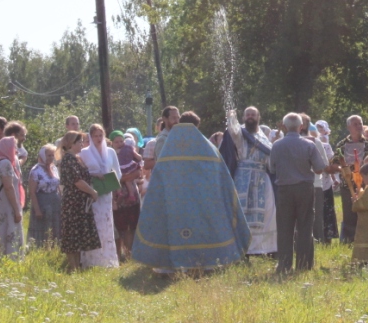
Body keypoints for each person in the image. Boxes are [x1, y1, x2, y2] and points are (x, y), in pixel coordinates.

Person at [133, 111, 251, 275]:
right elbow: (221, 177)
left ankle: (170, 265)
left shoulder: (169, 150)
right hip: (203, 203)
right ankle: (208, 263)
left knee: (173, 229)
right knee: (204, 229)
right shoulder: (208, 149)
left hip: (175, 203)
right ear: (197, 127)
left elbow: (160, 179)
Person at [269, 112, 326, 273]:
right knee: (305, 225)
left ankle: (284, 264)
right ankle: (304, 264)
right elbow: (319, 168)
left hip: (284, 189)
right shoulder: (309, 145)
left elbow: (271, 168)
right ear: (301, 126)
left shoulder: (277, 145)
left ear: (285, 126)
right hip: (304, 189)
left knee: (285, 227)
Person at [224, 106, 278, 255]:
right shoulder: (241, 134)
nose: (250, 117)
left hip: (262, 178)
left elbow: (270, 158)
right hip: (243, 177)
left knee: (267, 211)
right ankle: (245, 248)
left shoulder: (263, 136)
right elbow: (233, 131)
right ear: (243, 118)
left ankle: (267, 248)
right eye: (247, 114)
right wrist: (231, 117)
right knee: (243, 213)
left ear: (258, 117)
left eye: (253, 114)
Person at [57, 131, 101, 272]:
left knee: (78, 234)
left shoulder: (76, 158)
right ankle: (72, 267)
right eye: (79, 141)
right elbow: (77, 181)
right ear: (71, 144)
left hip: (80, 201)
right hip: (73, 201)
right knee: (72, 234)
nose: (82, 144)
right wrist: (92, 192)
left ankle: (77, 266)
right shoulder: (68, 159)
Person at [80, 124, 122, 268]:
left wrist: (112, 181)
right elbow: (81, 173)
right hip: (92, 192)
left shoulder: (110, 152)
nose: (98, 138)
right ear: (90, 137)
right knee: (95, 223)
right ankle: (92, 260)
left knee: (106, 223)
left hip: (107, 192)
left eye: (100, 135)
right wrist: (94, 176)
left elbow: (118, 170)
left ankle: (107, 260)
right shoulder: (84, 152)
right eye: (95, 136)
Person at [332, 115, 368, 244]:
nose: (359, 126)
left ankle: (366, 241)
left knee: (366, 214)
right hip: (347, 185)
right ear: (348, 127)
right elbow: (334, 164)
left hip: (365, 186)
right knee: (349, 214)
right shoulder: (342, 145)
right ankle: (349, 242)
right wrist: (343, 168)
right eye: (355, 124)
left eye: (360, 124)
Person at [110, 130, 143, 261]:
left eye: (121, 141)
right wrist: (122, 179)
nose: (119, 144)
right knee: (119, 226)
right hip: (117, 196)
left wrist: (124, 178)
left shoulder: (128, 151)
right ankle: (118, 256)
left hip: (131, 195)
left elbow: (138, 171)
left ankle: (130, 254)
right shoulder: (109, 154)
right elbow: (109, 175)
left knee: (132, 225)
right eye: (116, 142)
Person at [27, 144, 61, 247]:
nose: (50, 158)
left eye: (52, 155)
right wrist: (37, 209)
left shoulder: (54, 168)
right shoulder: (36, 170)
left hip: (55, 200)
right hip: (42, 200)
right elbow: (32, 192)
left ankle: (55, 248)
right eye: (48, 155)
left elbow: (57, 184)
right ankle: (40, 249)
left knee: (55, 226)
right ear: (42, 155)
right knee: (42, 228)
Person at [315, 120, 341, 242]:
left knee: (325, 210)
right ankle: (321, 236)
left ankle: (325, 237)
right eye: (317, 128)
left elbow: (330, 165)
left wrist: (334, 176)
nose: (319, 130)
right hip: (319, 180)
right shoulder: (320, 143)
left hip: (323, 181)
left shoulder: (325, 143)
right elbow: (329, 166)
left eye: (321, 128)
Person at [145, 106, 181, 171]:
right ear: (164, 119)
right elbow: (163, 165)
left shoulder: (178, 137)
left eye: (178, 118)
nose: (176, 121)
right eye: (173, 118)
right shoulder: (163, 139)